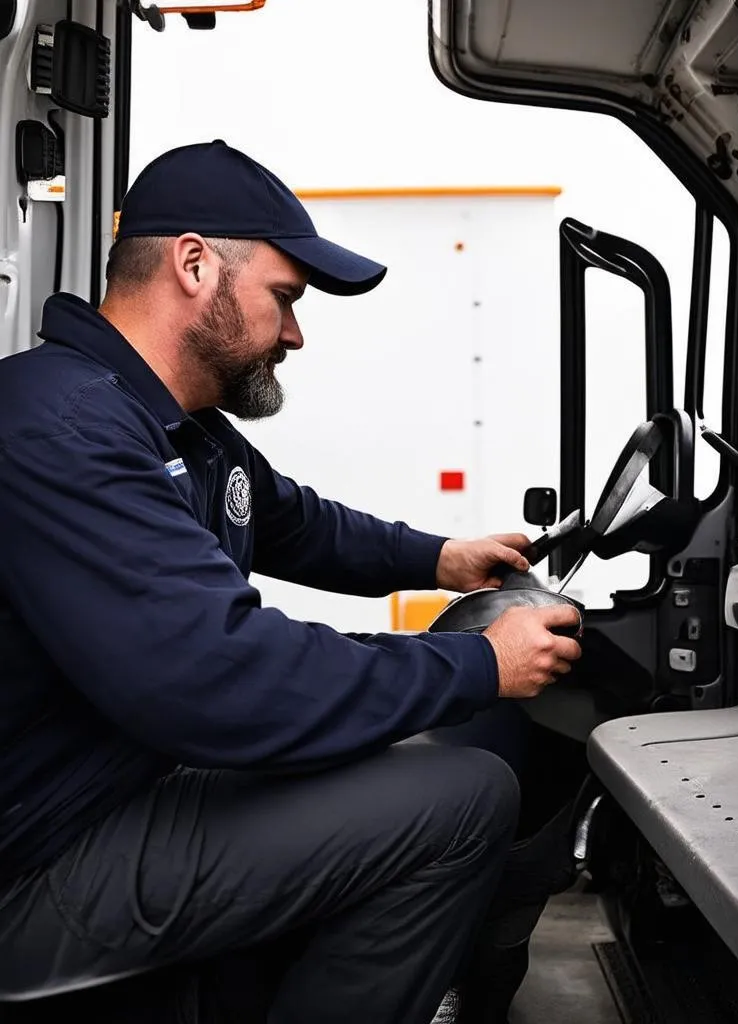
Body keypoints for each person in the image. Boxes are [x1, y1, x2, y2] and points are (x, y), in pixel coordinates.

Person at [0, 140, 583, 1023]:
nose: (297, 333)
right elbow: (224, 676)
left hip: (121, 786)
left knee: (419, 744)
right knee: (464, 799)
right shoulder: (64, 429)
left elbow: (290, 520)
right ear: (194, 265)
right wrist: (475, 667)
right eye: (286, 299)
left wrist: (439, 557)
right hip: (37, 863)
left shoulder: (171, 426)